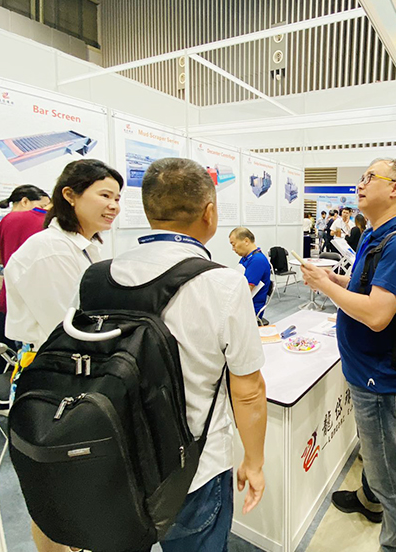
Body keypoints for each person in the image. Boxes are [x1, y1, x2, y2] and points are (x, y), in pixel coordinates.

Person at [107, 157, 267, 551]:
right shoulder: (223, 283)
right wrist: (254, 461)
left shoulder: (102, 273)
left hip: (119, 455)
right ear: (209, 212)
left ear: (148, 210)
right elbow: (248, 390)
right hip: (194, 467)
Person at [299, 158, 396, 552]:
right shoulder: (377, 235)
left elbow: (376, 314)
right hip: (368, 371)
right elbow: (370, 289)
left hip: (381, 378)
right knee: (379, 457)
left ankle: (394, 545)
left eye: (370, 177)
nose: (360, 183)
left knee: (390, 476)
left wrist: (325, 286)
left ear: (395, 188)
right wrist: (335, 280)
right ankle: (369, 499)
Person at [3, 159, 122, 552]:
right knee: (54, 496)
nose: (114, 205)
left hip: (79, 375)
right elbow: (69, 330)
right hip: (53, 379)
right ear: (70, 195)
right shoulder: (50, 251)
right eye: (104, 195)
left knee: (79, 490)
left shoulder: (86, 246)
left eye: (117, 197)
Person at [0, 185, 50, 377]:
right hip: (33, 301)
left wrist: (10, 254)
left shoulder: (5, 221)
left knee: (2, 351)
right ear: (25, 201)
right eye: (42, 206)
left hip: (7, 296)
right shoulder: (46, 223)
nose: (45, 210)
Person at [229, 226, 272, 316]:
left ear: (246, 241)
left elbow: (246, 291)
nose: (233, 249)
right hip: (242, 305)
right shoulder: (246, 257)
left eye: (233, 244)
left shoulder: (257, 260)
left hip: (249, 310)